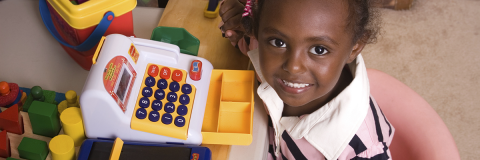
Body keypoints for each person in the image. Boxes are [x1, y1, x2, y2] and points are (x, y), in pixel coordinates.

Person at [220, 0, 394, 159]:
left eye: (319, 50)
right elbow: (250, 45)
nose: (293, 67)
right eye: (278, 43)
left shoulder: (361, 150)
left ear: (355, 47)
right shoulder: (261, 47)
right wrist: (237, 24)